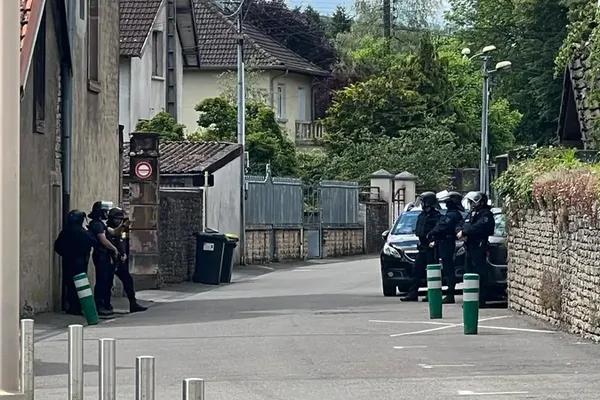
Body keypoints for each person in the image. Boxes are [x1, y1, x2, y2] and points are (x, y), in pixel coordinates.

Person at [54, 210, 98, 315]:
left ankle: (71, 306)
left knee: (69, 284)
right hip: (80, 261)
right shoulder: (83, 232)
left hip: (67, 260)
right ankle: (78, 307)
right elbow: (94, 241)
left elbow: (58, 246)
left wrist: (65, 254)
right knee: (80, 285)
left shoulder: (65, 231)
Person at [401, 191, 441, 302]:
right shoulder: (422, 215)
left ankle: (431, 294)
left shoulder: (436, 216)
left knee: (431, 271)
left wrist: (433, 241)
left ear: (428, 203)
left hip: (431, 247)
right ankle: (413, 293)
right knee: (417, 270)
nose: (421, 204)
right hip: (422, 246)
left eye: (423, 201)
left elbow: (438, 231)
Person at [457, 191, 495, 307]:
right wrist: (460, 231)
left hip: (479, 246)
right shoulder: (472, 213)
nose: (471, 204)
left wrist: (465, 232)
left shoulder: (486, 215)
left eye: (473, 202)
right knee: (469, 273)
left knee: (479, 273)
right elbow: (461, 224)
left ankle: (480, 299)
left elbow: (479, 227)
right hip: (469, 246)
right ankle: (470, 299)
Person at [106, 207, 147, 313]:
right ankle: (105, 305)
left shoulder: (121, 230)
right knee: (106, 283)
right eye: (116, 219)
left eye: (120, 219)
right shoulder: (107, 228)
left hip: (119, 261)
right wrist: (124, 225)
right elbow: (115, 233)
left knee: (128, 280)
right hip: (109, 260)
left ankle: (133, 302)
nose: (118, 221)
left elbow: (122, 240)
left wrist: (123, 253)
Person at [88, 200, 124, 318]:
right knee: (102, 281)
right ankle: (100, 305)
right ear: (100, 212)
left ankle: (106, 304)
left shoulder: (101, 224)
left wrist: (123, 224)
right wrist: (114, 249)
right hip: (101, 255)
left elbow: (113, 232)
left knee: (107, 280)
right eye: (105, 211)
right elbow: (102, 239)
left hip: (105, 256)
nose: (107, 214)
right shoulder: (97, 224)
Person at [429, 191, 464, 304]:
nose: (446, 204)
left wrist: (431, 233)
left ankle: (450, 294)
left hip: (446, 243)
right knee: (447, 268)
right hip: (445, 242)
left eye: (448, 202)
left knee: (448, 269)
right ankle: (448, 293)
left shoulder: (452, 214)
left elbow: (442, 226)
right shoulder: (453, 213)